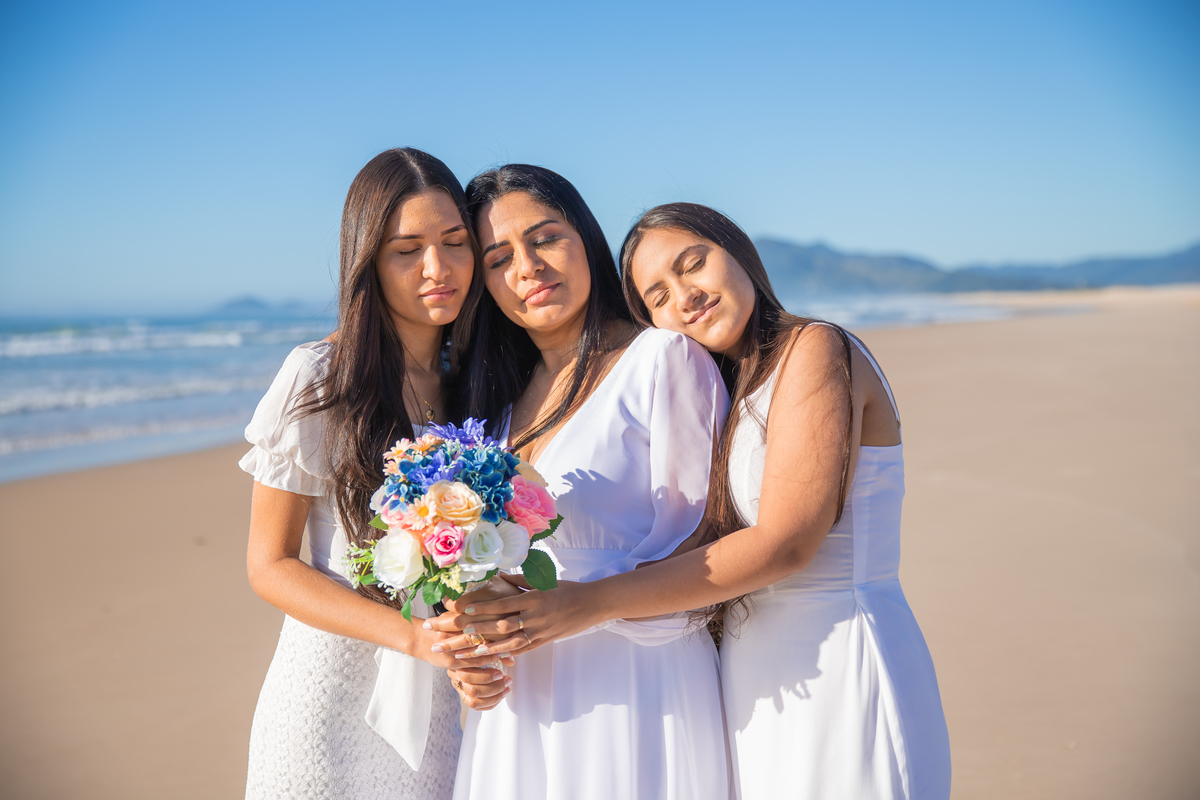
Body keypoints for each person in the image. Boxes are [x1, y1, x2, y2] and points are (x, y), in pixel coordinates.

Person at [437, 203, 952, 799]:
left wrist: (587, 603)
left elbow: (786, 542)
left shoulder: (814, 348)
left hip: (839, 649)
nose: (684, 296)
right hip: (752, 668)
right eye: (657, 295)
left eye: (693, 264)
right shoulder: (742, 380)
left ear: (739, 252)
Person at [443, 167, 731, 800]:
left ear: (585, 238)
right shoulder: (494, 412)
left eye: (545, 238)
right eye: (499, 258)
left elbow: (705, 544)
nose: (528, 267)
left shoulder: (662, 359)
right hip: (523, 698)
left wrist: (578, 604)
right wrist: (476, 640)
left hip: (636, 682)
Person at [239, 148, 510, 800]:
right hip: (327, 703)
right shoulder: (320, 378)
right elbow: (269, 565)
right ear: (368, 260)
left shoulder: (479, 388)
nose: (438, 268)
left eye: (454, 243)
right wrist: (410, 637)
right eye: (406, 249)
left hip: (440, 708)